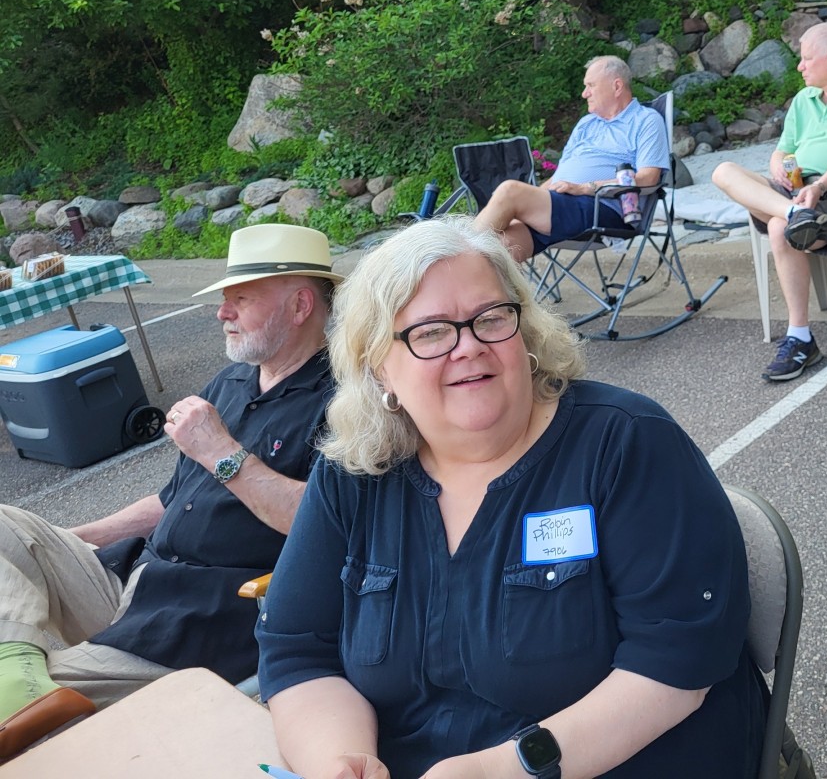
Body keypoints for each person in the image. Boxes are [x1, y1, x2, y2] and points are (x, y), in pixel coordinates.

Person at [257, 217, 764, 779]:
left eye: (491, 318)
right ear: (380, 368)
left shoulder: (624, 443)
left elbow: (676, 664)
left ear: (524, 331)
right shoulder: (355, 471)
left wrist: (498, 771)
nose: (469, 346)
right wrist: (342, 761)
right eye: (430, 332)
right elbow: (298, 649)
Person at [0, 223, 340, 759]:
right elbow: (171, 500)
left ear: (300, 305)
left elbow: (327, 526)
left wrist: (221, 452)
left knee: (31, 707)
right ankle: (18, 668)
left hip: (198, 622)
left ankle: (23, 682)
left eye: (240, 299)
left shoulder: (342, 402)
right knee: (7, 529)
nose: (221, 313)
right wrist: (70, 540)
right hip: (134, 578)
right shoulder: (230, 383)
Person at [712, 21, 827, 382]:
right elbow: (781, 152)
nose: (800, 65)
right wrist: (781, 171)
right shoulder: (803, 101)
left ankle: (800, 337)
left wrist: (820, 187)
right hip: (795, 194)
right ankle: (798, 215)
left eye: (807, 58)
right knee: (723, 171)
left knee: (780, 229)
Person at [476, 55, 668, 261]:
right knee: (494, 251)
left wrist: (585, 188)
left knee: (510, 191)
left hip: (601, 208)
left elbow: (649, 178)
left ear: (617, 86)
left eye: (590, 85)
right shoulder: (586, 124)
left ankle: (453, 251)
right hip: (560, 207)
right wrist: (533, 198)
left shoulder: (646, 120)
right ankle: (461, 263)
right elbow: (559, 176)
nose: (585, 93)